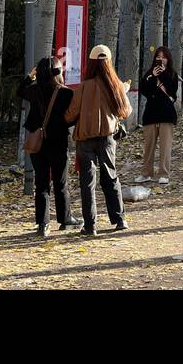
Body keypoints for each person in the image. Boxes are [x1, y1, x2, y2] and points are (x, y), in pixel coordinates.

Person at [64, 44, 132, 235]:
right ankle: (120, 220)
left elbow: (70, 115)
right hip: (108, 139)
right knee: (110, 177)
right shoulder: (115, 85)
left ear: (91, 63)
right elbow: (126, 112)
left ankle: (90, 226)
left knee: (87, 183)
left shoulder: (83, 87)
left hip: (85, 140)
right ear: (109, 63)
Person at [18, 56, 75, 237]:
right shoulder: (66, 93)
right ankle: (65, 219)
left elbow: (20, 91)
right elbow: (71, 117)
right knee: (60, 182)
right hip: (58, 142)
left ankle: (43, 224)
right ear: (58, 72)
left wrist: (30, 76)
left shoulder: (33, 91)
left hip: (38, 143)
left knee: (41, 184)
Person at [138, 45, 178, 184]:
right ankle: (146, 173)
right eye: (158, 57)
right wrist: (152, 77)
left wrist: (163, 74)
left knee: (165, 147)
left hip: (166, 115)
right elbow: (145, 91)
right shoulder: (150, 73)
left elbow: (173, 91)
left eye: (164, 57)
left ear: (168, 59)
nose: (161, 60)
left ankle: (164, 174)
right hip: (150, 114)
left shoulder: (172, 74)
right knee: (148, 147)